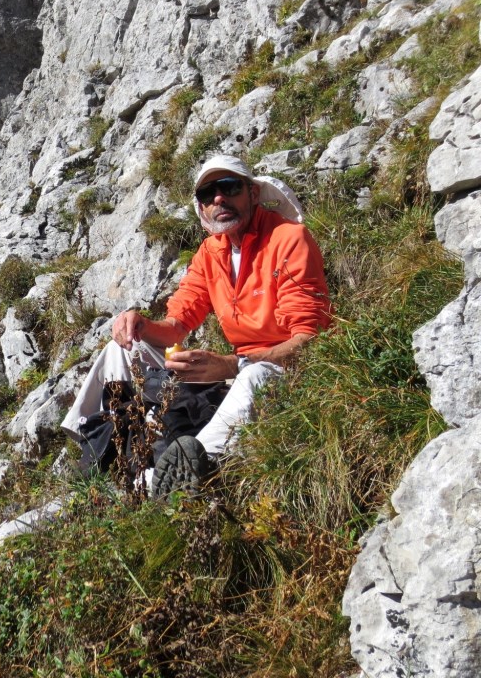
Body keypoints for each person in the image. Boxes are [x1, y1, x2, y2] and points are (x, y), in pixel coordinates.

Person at [62, 154, 332, 495]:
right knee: (123, 348)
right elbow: (177, 324)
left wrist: (231, 364)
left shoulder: (288, 239)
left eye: (229, 187)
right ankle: (95, 449)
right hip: (233, 370)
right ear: (202, 209)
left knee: (256, 376)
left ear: (252, 194)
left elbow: (309, 341)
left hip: (281, 370)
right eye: (207, 194)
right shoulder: (210, 252)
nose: (219, 199)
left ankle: (177, 472)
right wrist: (141, 325)